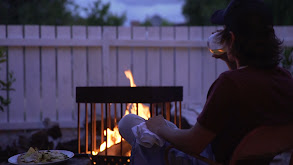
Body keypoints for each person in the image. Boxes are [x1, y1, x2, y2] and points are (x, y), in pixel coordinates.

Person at [118, 0, 293, 164]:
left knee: (129, 123)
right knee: (167, 127)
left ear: (231, 39)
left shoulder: (229, 84)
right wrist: (231, 61)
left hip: (204, 159)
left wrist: (161, 128)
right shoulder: (285, 80)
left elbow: (193, 144)